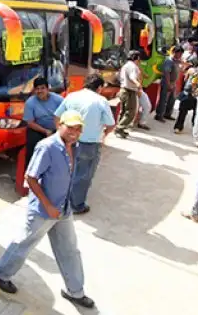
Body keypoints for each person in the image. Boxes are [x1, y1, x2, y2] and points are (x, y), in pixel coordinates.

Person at [0, 110, 95, 309]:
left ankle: (75, 291)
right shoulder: (47, 147)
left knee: (69, 250)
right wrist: (48, 205)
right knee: (24, 243)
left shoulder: (76, 146)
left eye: (78, 128)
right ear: (59, 125)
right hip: (43, 210)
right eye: (70, 127)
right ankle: (0, 273)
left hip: (63, 208)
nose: (74, 131)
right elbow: (30, 178)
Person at [54, 74, 115, 214]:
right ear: (99, 87)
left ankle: (60, 200)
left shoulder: (71, 96)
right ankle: (76, 205)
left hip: (67, 141)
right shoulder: (101, 101)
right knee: (83, 175)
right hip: (89, 143)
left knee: (66, 171)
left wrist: (60, 134)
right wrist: (104, 134)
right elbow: (111, 124)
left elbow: (57, 116)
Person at [23, 77, 64, 168]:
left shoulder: (59, 100)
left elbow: (66, 115)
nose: (40, 91)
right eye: (37, 89)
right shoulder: (30, 102)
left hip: (57, 129)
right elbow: (29, 122)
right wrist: (45, 131)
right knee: (32, 148)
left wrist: (58, 130)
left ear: (47, 88)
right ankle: (30, 173)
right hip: (38, 129)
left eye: (42, 88)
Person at [115, 50, 142, 138]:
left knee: (123, 111)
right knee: (131, 112)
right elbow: (132, 77)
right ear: (137, 58)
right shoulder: (133, 66)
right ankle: (119, 128)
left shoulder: (125, 65)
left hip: (123, 89)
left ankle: (119, 129)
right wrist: (138, 84)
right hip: (129, 90)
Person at [174, 58, 198, 134]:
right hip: (196, 95)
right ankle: (195, 128)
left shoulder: (191, 70)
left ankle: (178, 127)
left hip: (187, 93)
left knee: (182, 112)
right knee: (197, 113)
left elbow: (185, 79)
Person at [155, 46, 183, 122]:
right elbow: (166, 73)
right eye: (179, 53)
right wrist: (168, 84)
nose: (180, 55)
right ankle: (159, 115)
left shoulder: (176, 61)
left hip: (173, 83)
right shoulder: (169, 61)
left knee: (172, 100)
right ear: (174, 52)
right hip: (167, 82)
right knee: (164, 100)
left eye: (181, 54)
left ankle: (167, 114)